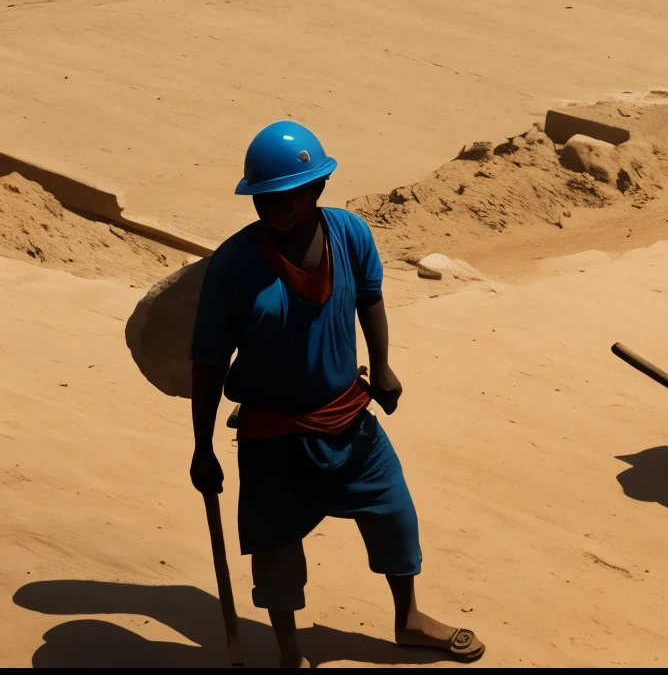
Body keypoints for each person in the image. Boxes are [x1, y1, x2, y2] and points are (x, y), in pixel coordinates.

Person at [189, 121, 482, 666]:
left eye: (286, 195)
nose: (273, 205)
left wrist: (384, 366)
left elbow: (369, 297)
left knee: (395, 514)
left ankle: (409, 618)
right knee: (275, 548)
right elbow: (207, 362)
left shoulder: (350, 234)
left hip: (350, 419)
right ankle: (288, 650)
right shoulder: (234, 264)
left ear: (316, 189)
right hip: (272, 434)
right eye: (264, 196)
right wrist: (202, 449)